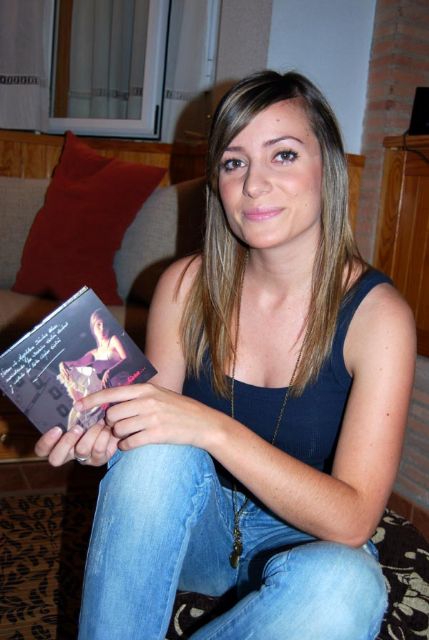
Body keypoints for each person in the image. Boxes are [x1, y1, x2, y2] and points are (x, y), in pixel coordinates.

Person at [35, 70, 416, 639]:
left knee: (349, 584)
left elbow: (354, 519)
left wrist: (212, 429)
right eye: (234, 162)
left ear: (329, 168)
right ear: (217, 183)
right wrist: (104, 441)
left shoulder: (378, 317)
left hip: (299, 535)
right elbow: (153, 448)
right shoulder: (184, 287)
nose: (254, 184)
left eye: (283, 155)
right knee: (157, 454)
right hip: (199, 526)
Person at [57, 308, 129, 429]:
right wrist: (62, 364)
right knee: (75, 372)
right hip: (105, 388)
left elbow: (127, 359)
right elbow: (77, 363)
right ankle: (82, 405)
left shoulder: (114, 340)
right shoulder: (93, 353)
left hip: (120, 382)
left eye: (105, 324)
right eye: (98, 324)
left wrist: (110, 371)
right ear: (93, 328)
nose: (102, 328)